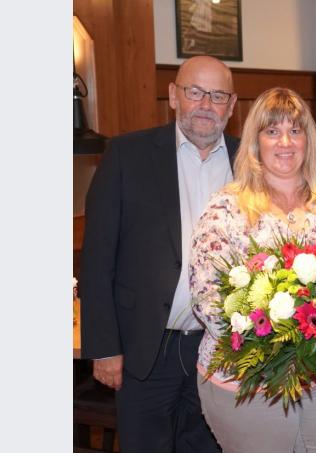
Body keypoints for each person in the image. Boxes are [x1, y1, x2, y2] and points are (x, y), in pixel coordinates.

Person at [190, 87, 316, 452]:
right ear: (255, 141)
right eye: (272, 131)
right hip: (247, 378)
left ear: (309, 139)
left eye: (296, 130)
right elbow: (207, 298)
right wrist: (280, 347)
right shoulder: (225, 208)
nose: (285, 142)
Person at [80, 55, 239, 452]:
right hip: (146, 350)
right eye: (195, 92)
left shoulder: (251, 161)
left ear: (232, 106)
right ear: (173, 95)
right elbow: (98, 258)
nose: (206, 104)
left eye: (218, 95)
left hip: (223, 353)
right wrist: (104, 348)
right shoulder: (126, 156)